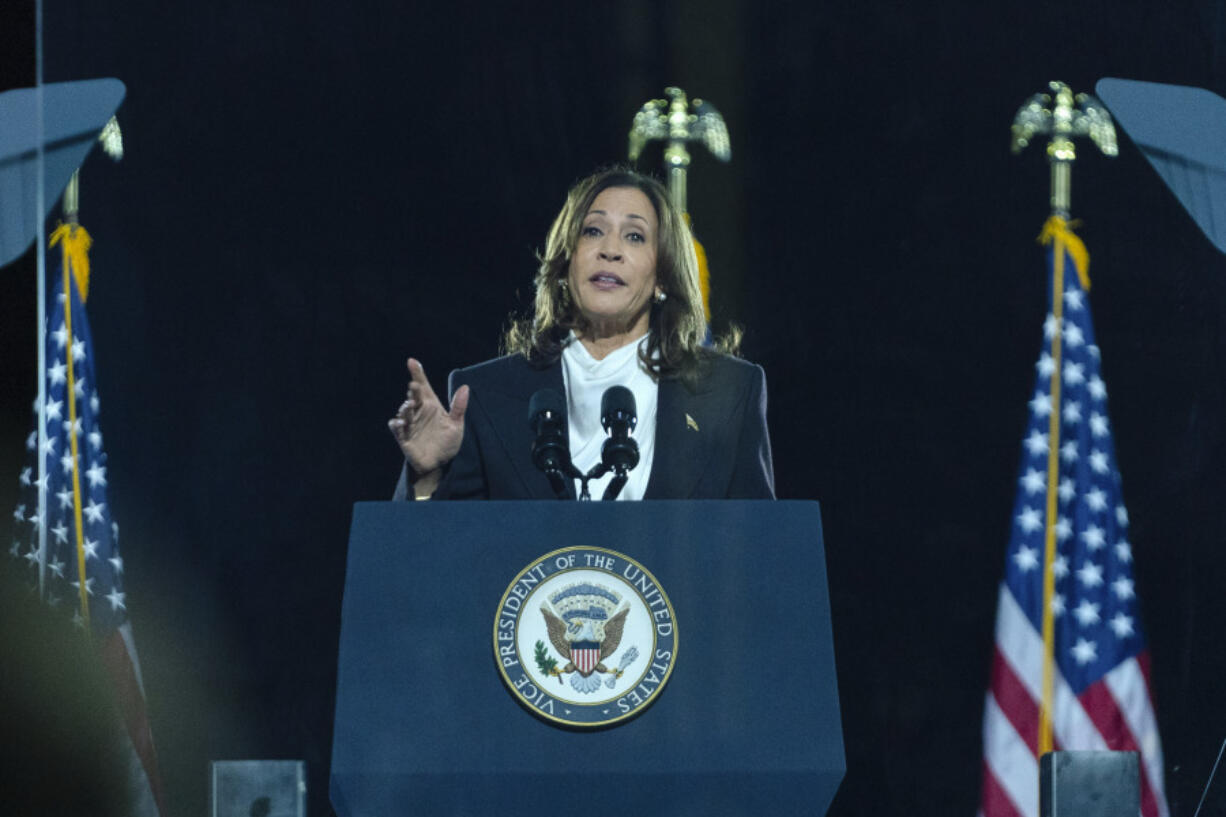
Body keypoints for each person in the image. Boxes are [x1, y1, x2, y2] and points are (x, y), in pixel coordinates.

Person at [388, 167, 774, 501]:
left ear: (662, 277)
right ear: (566, 262)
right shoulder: (483, 395)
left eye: (635, 236)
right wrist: (428, 476)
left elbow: (761, 550)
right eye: (592, 231)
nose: (610, 250)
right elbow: (442, 559)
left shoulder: (729, 393)